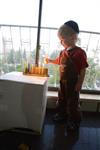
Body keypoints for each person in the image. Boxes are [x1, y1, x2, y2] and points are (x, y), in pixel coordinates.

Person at [45, 20, 88, 131]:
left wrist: (79, 83)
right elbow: (59, 61)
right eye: (60, 40)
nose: (61, 42)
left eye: (62, 40)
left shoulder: (79, 53)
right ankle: (62, 115)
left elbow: (83, 70)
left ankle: (74, 121)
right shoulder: (63, 52)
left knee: (73, 103)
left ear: (73, 37)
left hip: (73, 83)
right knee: (62, 100)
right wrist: (50, 60)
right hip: (63, 82)